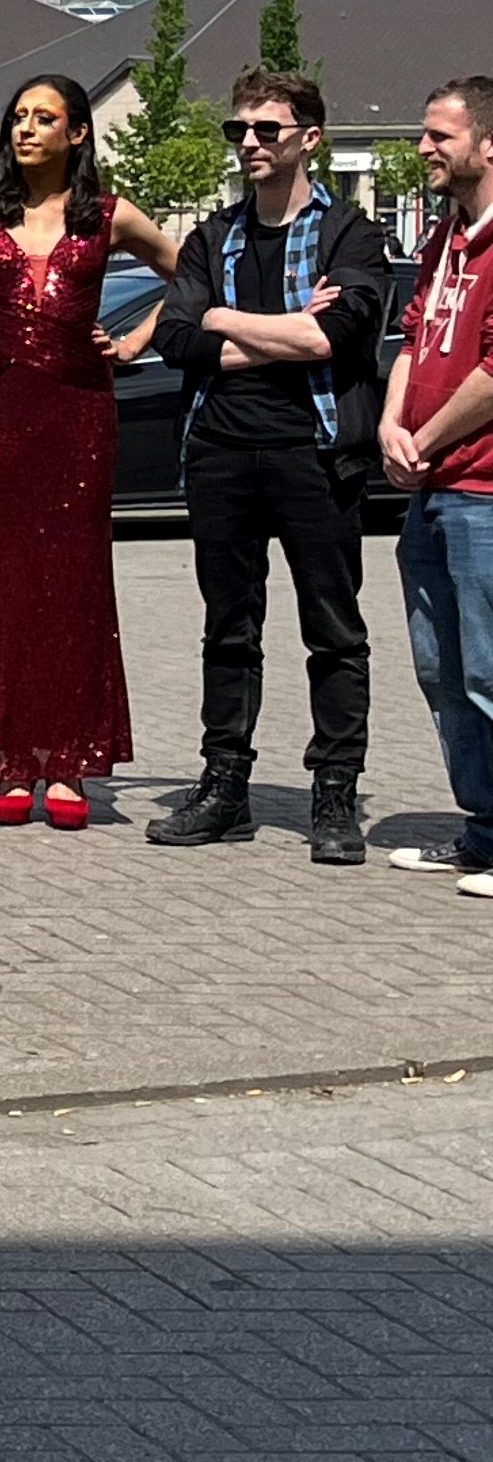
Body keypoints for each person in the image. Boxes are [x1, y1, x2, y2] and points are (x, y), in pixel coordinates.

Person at [146, 69, 392, 859]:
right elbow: (177, 336)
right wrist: (268, 326)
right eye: (239, 130)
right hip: (219, 450)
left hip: (314, 450)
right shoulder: (212, 236)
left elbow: (337, 337)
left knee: (333, 629)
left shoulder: (348, 234)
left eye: (267, 130)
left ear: (308, 139)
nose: (249, 142)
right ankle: (225, 786)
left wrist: (223, 324)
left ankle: (333, 794)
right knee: (228, 627)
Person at [0, 78, 178, 828]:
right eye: (18, 119)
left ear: (78, 133)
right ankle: (7, 754)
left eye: (44, 119)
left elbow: (195, 271)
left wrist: (140, 338)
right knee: (4, 583)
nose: (26, 130)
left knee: (73, 585)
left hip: (80, 417)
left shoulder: (110, 217)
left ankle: (69, 760)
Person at [383, 79, 493, 889]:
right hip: (429, 489)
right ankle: (483, 829)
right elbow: (415, 341)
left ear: (487, 145)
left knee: (490, 669)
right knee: (441, 669)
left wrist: (420, 438)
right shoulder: (442, 241)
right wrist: (392, 424)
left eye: (439, 135)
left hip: (484, 492)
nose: (424, 148)